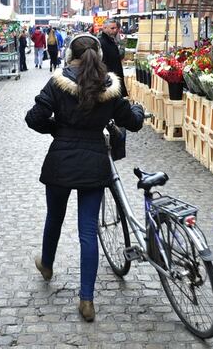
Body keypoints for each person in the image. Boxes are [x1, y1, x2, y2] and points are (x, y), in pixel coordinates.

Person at [24, 34, 145, 322]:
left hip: (60, 164)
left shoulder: (58, 82)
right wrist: (138, 109)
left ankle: (47, 264)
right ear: (100, 55)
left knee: (54, 216)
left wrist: (57, 130)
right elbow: (133, 121)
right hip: (94, 165)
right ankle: (87, 300)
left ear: (70, 56)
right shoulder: (109, 86)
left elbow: (34, 118)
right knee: (88, 232)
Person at [98, 19, 125, 95]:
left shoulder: (112, 41)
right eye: (112, 28)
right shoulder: (101, 42)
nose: (115, 30)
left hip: (113, 78)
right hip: (108, 80)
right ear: (104, 28)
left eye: (116, 28)